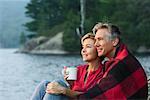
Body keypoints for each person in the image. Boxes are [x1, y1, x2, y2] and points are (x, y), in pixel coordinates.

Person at [77, 22, 148, 99]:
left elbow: (97, 95)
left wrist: (70, 94)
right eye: (96, 40)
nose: (96, 44)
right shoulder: (125, 58)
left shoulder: (119, 65)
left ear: (114, 41)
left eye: (100, 39)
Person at [30, 33, 105, 100]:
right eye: (83, 47)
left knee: (58, 83)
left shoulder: (103, 73)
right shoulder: (80, 70)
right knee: (45, 84)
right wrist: (71, 83)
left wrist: (63, 90)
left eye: (88, 47)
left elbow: (89, 96)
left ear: (98, 49)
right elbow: (74, 92)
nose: (83, 50)